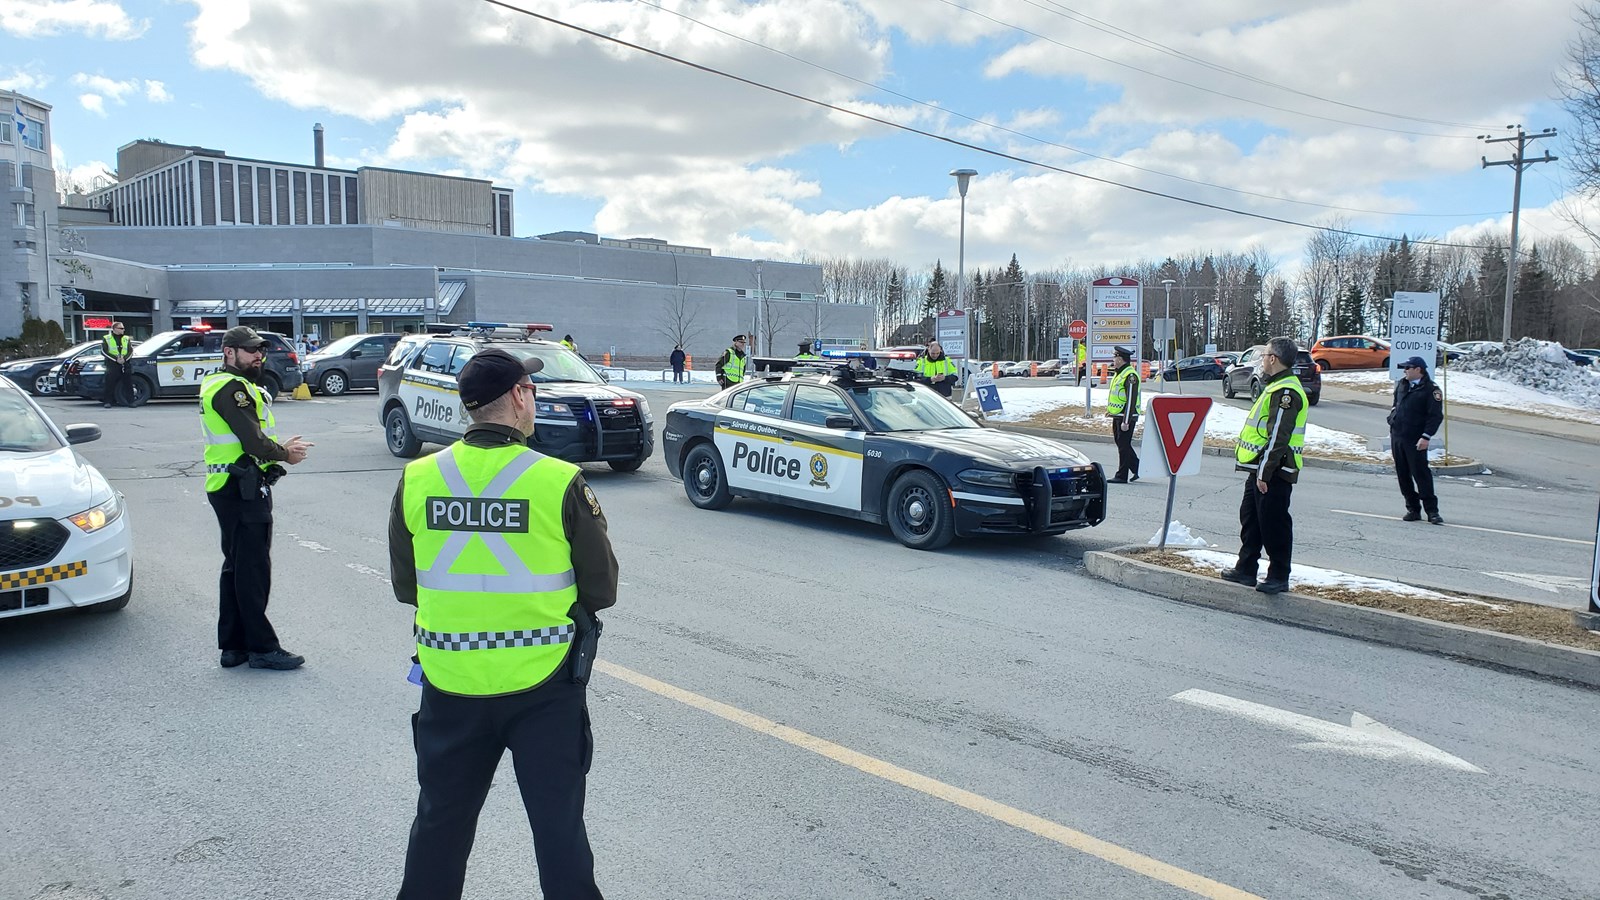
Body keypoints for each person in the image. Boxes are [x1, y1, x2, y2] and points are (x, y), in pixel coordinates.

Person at [390, 348, 618, 900]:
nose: (533, 399)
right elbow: (601, 589)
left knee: (439, 828)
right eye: (531, 390)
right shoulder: (557, 480)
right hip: (543, 686)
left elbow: (406, 586)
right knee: (558, 833)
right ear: (518, 396)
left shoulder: (419, 477)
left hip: (449, 682)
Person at [200, 326, 314, 670]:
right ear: (229, 353)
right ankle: (262, 648)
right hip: (240, 488)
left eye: (260, 350)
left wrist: (275, 453)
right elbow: (252, 441)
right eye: (250, 351)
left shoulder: (225, 383)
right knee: (252, 571)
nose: (258, 356)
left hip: (231, 485)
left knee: (235, 567)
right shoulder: (232, 389)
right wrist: (285, 454)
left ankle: (233, 647)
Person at [1220, 336, 1307, 595]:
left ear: (1274, 359)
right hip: (1258, 467)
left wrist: (1265, 472)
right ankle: (1246, 568)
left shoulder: (1286, 392)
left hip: (1275, 470)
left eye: (1265, 354)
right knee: (1251, 519)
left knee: (1274, 523)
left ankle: (1279, 575)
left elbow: (1279, 436)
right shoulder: (1274, 386)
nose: (1262, 359)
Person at [1388, 355, 1445, 525]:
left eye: (1408, 368)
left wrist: (1426, 437)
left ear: (1418, 370)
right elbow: (1395, 404)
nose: (1405, 371)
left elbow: (1435, 417)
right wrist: (1392, 417)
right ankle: (1412, 508)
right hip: (1398, 436)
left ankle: (1432, 511)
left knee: (1420, 474)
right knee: (1403, 474)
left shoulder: (1431, 390)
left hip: (1416, 439)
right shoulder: (1402, 385)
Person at [1106, 346, 1141, 483]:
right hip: (1117, 415)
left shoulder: (1130, 375)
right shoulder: (1119, 373)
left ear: (1120, 359)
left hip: (1126, 417)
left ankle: (1122, 475)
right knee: (1122, 444)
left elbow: (1131, 400)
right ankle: (1137, 468)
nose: (1113, 360)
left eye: (1115, 357)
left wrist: (1126, 421)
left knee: (1123, 445)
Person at [100, 321, 132, 408]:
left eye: (123, 328)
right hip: (112, 364)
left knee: (128, 383)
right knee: (110, 383)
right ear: (114, 329)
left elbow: (130, 350)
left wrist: (124, 359)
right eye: (121, 328)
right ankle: (108, 402)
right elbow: (104, 351)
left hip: (125, 364)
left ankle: (131, 401)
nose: (123, 330)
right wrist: (115, 359)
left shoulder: (126, 338)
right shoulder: (107, 338)